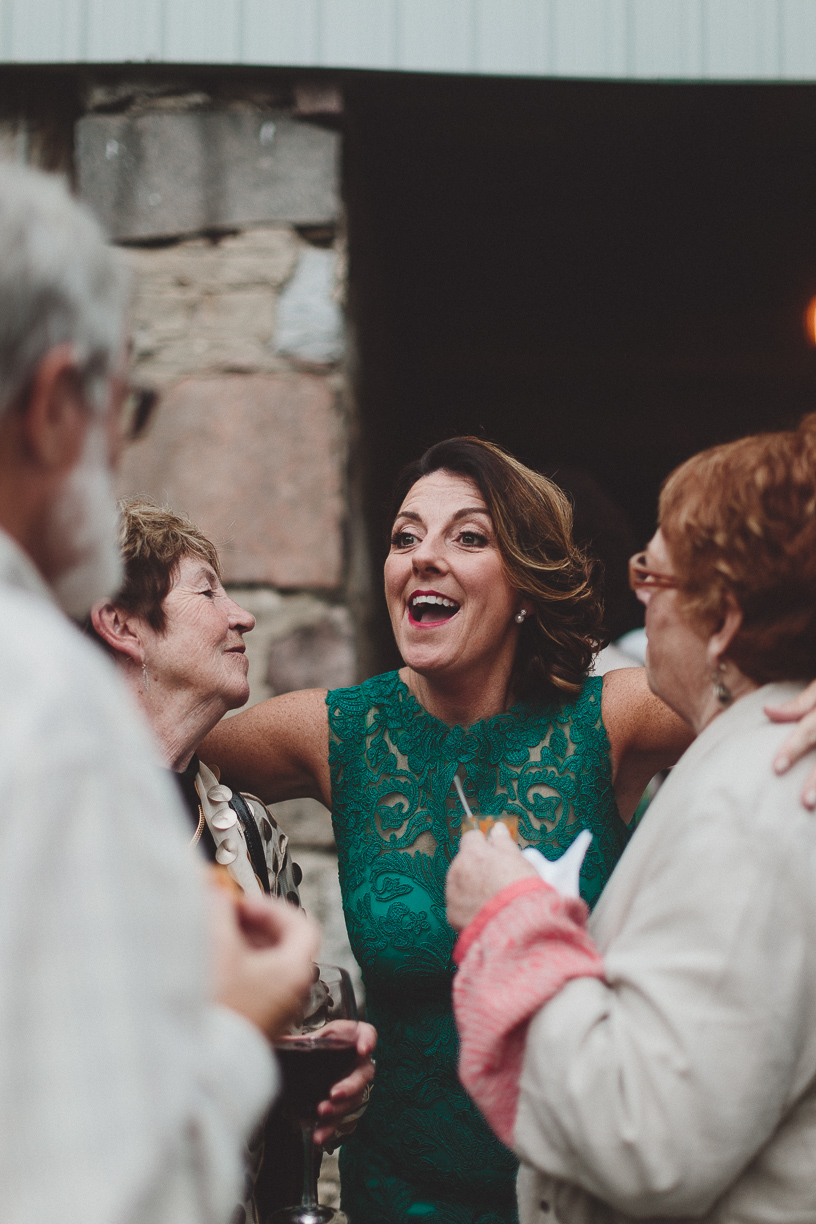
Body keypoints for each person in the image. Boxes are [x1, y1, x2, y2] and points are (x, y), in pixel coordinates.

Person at [201, 436, 694, 1224]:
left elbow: (756, 677)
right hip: (399, 1198)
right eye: (405, 537)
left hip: (582, 1193)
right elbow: (149, 750)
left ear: (527, 584)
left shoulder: (612, 717)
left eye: (467, 536)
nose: (423, 557)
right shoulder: (341, 734)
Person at [0, 161, 319, 1224]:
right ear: (52, 405)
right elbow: (107, 1189)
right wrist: (232, 1030)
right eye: (125, 403)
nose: (242, 618)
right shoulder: (49, 715)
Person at [447, 417, 816, 1224]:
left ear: (721, 622)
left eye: (651, 577)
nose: (637, 606)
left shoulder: (752, 801)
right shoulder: (749, 759)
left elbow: (645, 1137)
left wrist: (511, 920)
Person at [90, 498, 377, 1218]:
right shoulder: (49, 819)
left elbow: (290, 1029)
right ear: (123, 624)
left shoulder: (248, 833)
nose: (242, 617)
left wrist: (331, 1074)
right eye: (208, 591)